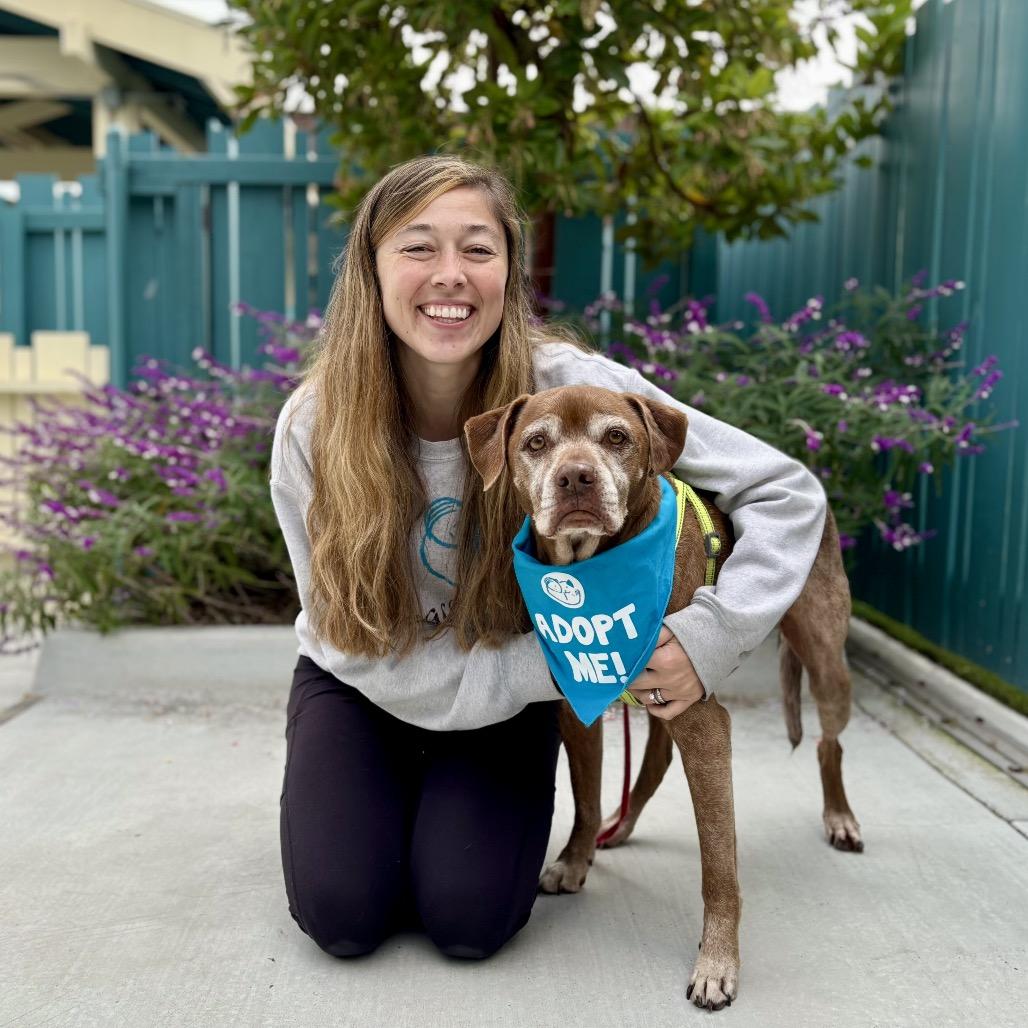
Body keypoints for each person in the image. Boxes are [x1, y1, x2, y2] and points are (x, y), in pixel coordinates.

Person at [270, 154, 827, 961]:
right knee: (343, 914)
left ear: (509, 270)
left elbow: (787, 491)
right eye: (418, 247)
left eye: (479, 249)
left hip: (502, 682)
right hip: (365, 678)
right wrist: (577, 670)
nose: (450, 275)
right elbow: (334, 622)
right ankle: (391, 790)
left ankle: (444, 807)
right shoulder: (312, 426)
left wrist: (713, 633)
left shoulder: (572, 386)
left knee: (468, 921)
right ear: (372, 269)